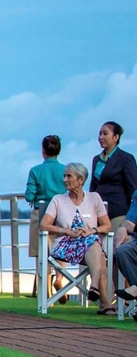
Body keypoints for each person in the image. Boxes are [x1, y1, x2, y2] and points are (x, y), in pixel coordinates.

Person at [41, 163, 115, 314]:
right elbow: (44, 225)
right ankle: (101, 297)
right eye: (64, 176)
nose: (64, 179)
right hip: (65, 246)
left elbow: (107, 226)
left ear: (81, 180)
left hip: (89, 246)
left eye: (69, 176)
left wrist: (91, 231)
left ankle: (98, 292)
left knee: (94, 242)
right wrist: (66, 231)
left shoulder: (94, 198)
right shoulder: (58, 200)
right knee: (99, 253)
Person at [91, 122, 137, 247]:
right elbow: (93, 186)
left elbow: (133, 188)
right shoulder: (96, 159)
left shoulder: (125, 158)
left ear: (116, 137)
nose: (101, 137)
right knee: (98, 248)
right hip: (99, 211)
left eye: (105, 133)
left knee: (115, 248)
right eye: (100, 134)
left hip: (118, 211)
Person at [25, 135, 65, 261]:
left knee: (40, 254)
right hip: (61, 213)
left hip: (40, 214)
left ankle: (44, 273)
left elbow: (29, 196)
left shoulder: (35, 171)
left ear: (43, 150)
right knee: (60, 251)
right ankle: (59, 272)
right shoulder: (65, 170)